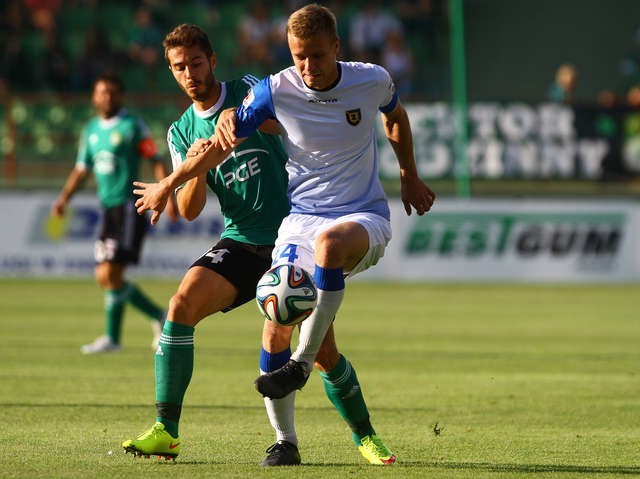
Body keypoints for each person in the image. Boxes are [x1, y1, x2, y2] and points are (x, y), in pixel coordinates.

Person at [132, 4, 435, 465]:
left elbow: (301, 113)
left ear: (212, 60)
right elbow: (192, 208)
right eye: (179, 67)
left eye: (196, 63)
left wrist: (235, 114)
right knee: (186, 306)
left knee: (322, 351)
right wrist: (179, 176)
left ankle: (363, 434)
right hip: (256, 240)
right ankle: (181, 431)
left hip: (314, 225)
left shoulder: (260, 88)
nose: (189, 74)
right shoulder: (184, 128)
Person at [51, 72, 177, 354]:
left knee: (111, 272)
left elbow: (155, 159)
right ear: (95, 97)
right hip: (107, 210)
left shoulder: (133, 126)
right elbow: (82, 170)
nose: (106, 97)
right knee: (105, 276)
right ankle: (155, 316)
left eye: (111, 92)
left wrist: (166, 194)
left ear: (119, 95)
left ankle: (114, 337)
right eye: (101, 92)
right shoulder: (91, 130)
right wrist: (63, 199)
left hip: (129, 208)